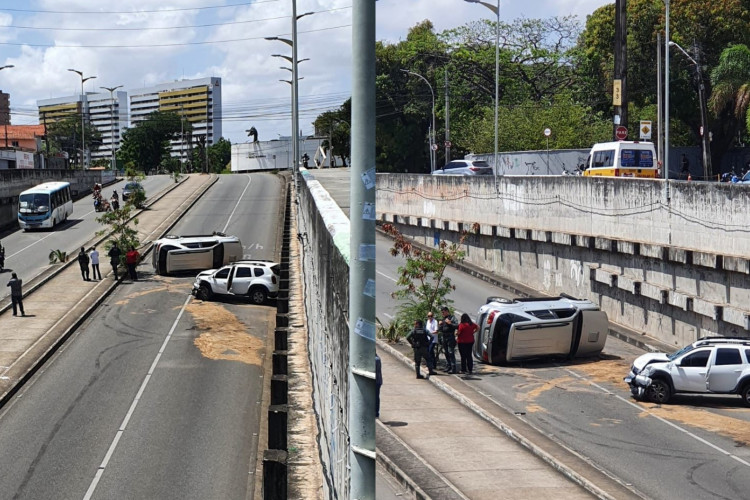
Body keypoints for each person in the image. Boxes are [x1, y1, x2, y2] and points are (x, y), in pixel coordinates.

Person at [439, 306, 458, 374]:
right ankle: (448, 366)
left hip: (450, 337)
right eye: (442, 312)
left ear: (447, 311)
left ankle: (453, 368)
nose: (442, 314)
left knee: (450, 352)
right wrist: (440, 325)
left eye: (443, 312)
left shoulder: (452, 318)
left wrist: (450, 323)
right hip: (444, 337)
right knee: (446, 352)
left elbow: (457, 326)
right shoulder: (443, 319)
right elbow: (441, 329)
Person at [375, 354, 382, 419]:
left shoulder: (375, 360)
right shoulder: (377, 358)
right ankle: (376, 413)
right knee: (376, 397)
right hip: (378, 381)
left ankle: (376, 413)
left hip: (376, 382)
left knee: (376, 398)